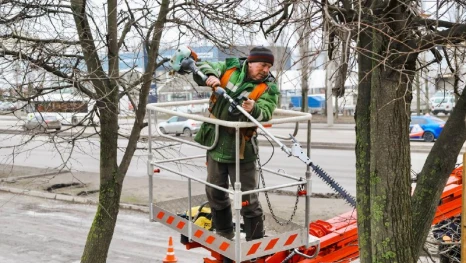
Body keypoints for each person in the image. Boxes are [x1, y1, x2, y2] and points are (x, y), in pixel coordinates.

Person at [193, 46, 279, 242]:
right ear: (251, 62)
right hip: (216, 141)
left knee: (248, 199)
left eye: (269, 67)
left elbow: (267, 110)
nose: (266, 70)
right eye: (263, 65)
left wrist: (254, 108)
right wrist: (210, 76)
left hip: (242, 147)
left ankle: (255, 243)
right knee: (215, 191)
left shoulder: (269, 87)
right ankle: (224, 234)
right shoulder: (230, 67)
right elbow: (203, 66)